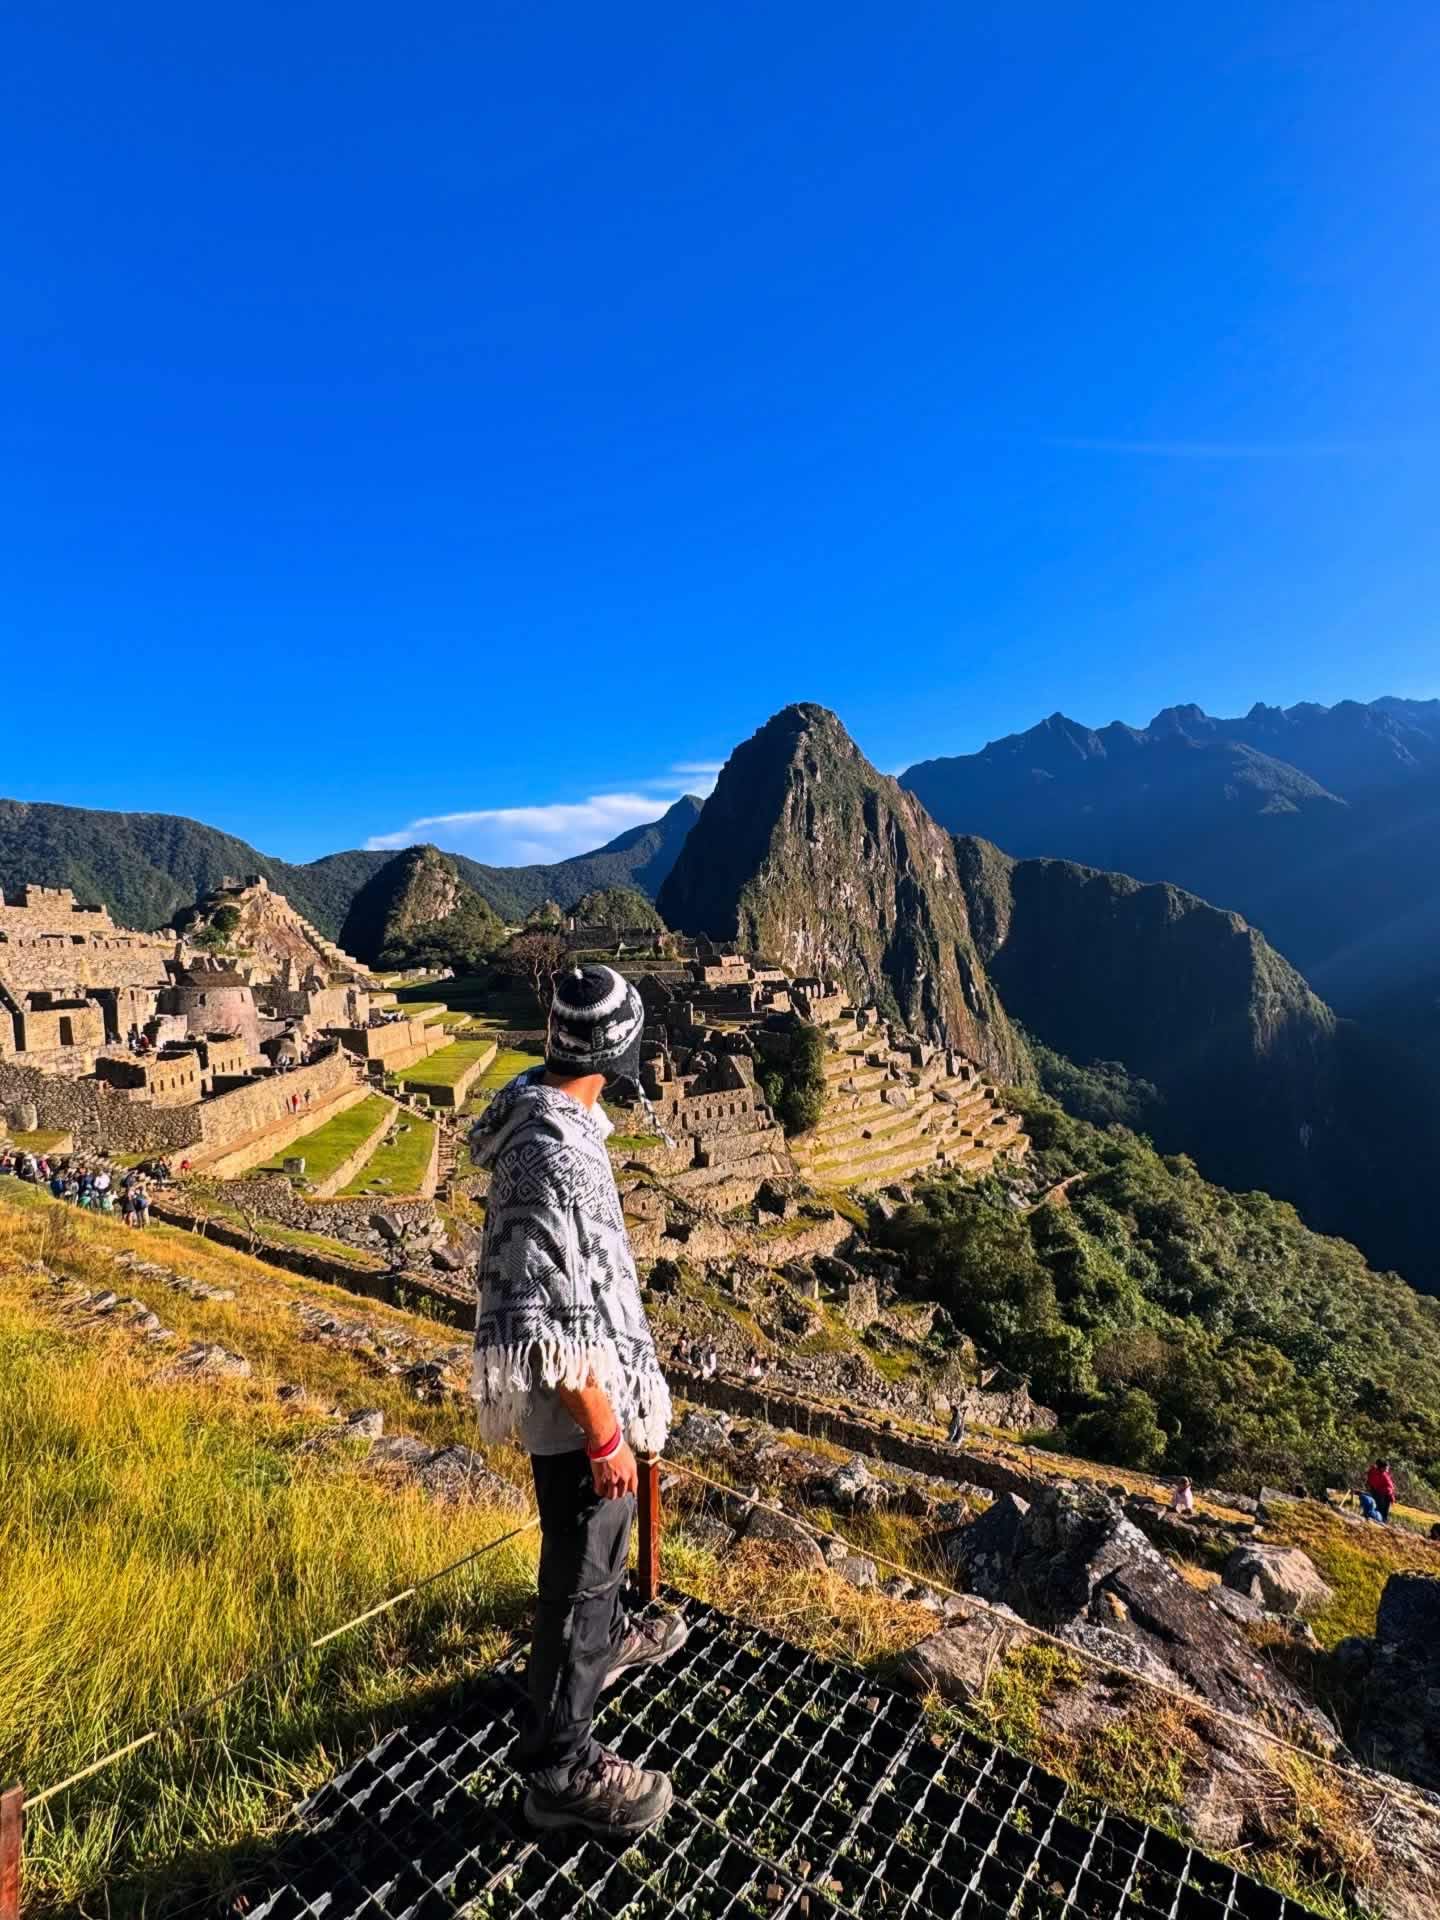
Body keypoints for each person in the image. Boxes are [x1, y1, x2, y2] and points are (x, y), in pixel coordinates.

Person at [469, 964, 683, 1838]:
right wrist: (603, 1430)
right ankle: (560, 1767)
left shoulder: (550, 1115)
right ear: (617, 1047)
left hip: (594, 1389)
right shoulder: (548, 1150)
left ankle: (604, 1644)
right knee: (581, 1573)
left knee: (593, 1565)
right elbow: (541, 1301)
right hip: (576, 1407)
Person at [1365, 1459, 1396, 1524]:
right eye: (1386, 1467)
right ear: (1382, 1468)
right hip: (1381, 1495)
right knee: (1380, 1511)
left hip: (1380, 1494)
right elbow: (1389, 1488)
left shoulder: (1376, 1473)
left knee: (1378, 1510)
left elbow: (1390, 1487)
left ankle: (1377, 1520)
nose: (1388, 1469)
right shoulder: (1381, 1474)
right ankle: (1380, 1521)